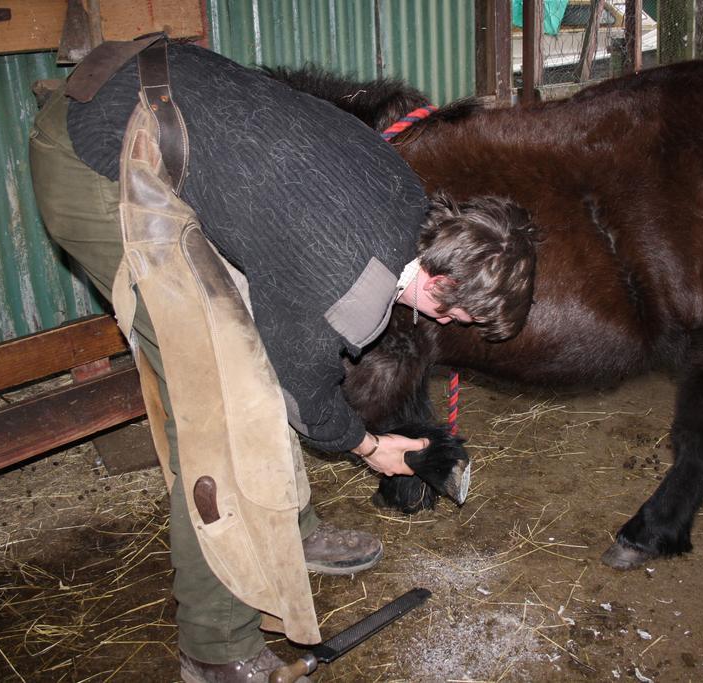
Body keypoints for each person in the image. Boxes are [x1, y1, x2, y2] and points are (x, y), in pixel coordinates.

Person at [30, 39, 537, 683]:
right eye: (461, 317)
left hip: (160, 92)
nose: (450, 327)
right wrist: (369, 446)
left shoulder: (409, 196)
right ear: (441, 283)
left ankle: (291, 531)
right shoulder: (347, 283)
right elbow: (303, 395)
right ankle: (215, 646)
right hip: (95, 153)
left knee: (255, 357)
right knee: (224, 407)